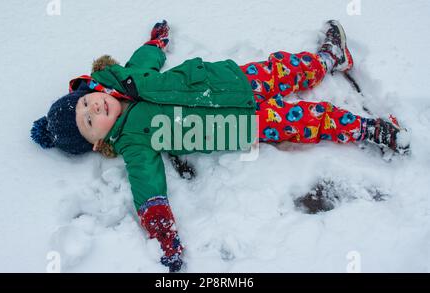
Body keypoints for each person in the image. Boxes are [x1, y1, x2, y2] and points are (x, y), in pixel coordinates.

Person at [31, 20, 410, 272]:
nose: (92, 108)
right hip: (241, 124)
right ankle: (368, 130)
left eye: (85, 103)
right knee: (309, 121)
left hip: (235, 81)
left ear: (91, 90)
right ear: (99, 143)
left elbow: (144, 59)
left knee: (287, 68)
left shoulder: (123, 76)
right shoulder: (131, 140)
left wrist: (155, 43)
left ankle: (329, 59)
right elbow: (147, 181)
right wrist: (161, 227)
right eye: (88, 122)